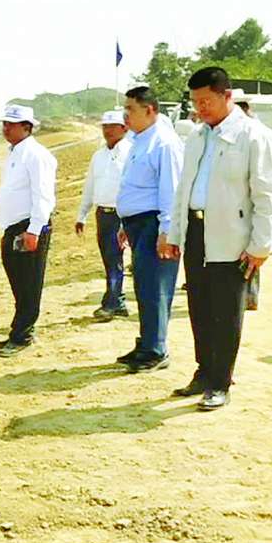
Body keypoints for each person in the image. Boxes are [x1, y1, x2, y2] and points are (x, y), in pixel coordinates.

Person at [164, 67, 272, 410]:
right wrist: (174, 233)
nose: (200, 108)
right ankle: (203, 371)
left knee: (226, 313)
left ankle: (220, 382)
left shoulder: (253, 135)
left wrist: (261, 246)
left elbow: (267, 195)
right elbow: (183, 190)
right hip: (197, 231)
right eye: (195, 102)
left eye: (206, 101)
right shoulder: (197, 136)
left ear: (227, 96)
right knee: (199, 307)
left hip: (233, 237)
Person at [115, 85, 185, 373]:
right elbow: (132, 186)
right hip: (137, 223)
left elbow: (171, 190)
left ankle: (156, 349)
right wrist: (124, 223)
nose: (126, 115)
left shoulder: (164, 143)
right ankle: (146, 343)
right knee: (143, 286)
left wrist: (167, 231)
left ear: (150, 110)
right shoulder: (139, 140)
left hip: (154, 223)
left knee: (156, 287)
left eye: (130, 109)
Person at [0, 104, 57, 356]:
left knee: (29, 282)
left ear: (27, 127)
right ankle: (19, 329)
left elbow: (43, 195)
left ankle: (22, 334)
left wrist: (34, 230)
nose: (6, 128)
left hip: (29, 226)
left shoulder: (36, 155)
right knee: (18, 280)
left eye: (11, 124)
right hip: (13, 227)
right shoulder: (14, 153)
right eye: (4, 124)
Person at [76, 110, 134, 320]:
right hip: (102, 214)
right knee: (109, 259)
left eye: (112, 126)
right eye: (105, 126)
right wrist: (81, 214)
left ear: (124, 128)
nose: (107, 130)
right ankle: (117, 300)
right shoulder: (98, 155)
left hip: (121, 215)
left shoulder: (130, 153)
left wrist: (126, 220)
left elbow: (132, 188)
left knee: (115, 258)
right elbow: (90, 186)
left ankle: (112, 303)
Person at [232, 88, 262, 311]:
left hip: (250, 204)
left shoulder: (255, 132)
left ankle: (250, 295)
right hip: (236, 205)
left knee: (252, 252)